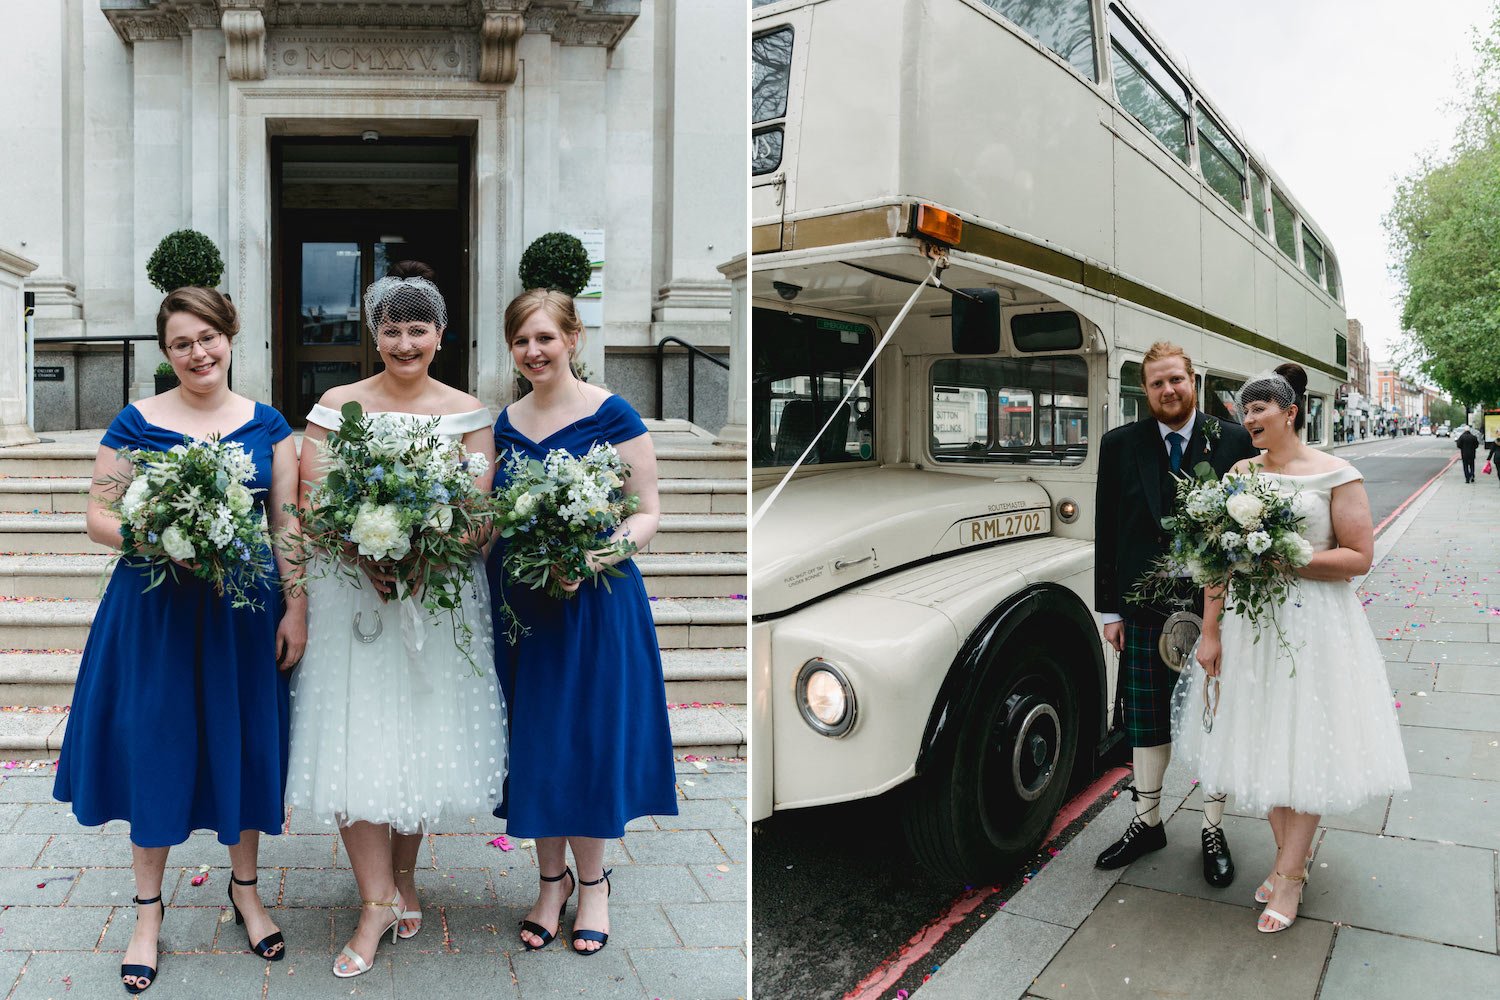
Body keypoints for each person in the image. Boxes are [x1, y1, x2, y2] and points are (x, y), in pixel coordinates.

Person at [54, 287, 305, 994]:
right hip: (155, 609)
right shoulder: (136, 422)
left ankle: (246, 891)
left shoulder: (268, 424)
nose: (198, 353)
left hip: (243, 611)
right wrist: (159, 535)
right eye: (181, 344)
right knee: (157, 746)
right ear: (167, 354)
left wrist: (297, 609)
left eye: (208, 338)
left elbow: (286, 524)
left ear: (231, 337)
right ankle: (147, 912)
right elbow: (99, 516)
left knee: (244, 745)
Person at [284, 262, 505, 979]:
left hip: (437, 600)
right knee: (359, 738)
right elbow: (312, 503)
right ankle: (374, 900)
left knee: (418, 734)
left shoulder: (471, 413)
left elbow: (477, 520)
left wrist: (425, 550)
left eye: (418, 328)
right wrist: (364, 545)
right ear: (372, 333)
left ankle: (403, 880)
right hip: (356, 599)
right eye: (391, 328)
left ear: (441, 334)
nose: (404, 342)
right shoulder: (336, 405)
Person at [1178, 364, 1410, 933]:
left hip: (1314, 628)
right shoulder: (1238, 474)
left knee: (1303, 739)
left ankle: (1288, 878)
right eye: (1244, 408)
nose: (1248, 417)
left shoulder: (1337, 474)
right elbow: (1217, 563)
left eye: (1259, 408)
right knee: (1265, 738)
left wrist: (1290, 558)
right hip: (1248, 629)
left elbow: (1358, 557)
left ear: (1290, 413)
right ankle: (1291, 860)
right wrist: (1209, 632)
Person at [488, 289, 677, 955]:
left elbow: (647, 511)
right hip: (523, 608)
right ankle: (550, 882)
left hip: (596, 602)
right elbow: (491, 516)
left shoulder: (613, 414)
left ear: (573, 338)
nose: (534, 351)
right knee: (536, 741)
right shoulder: (503, 423)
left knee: (590, 739)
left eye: (545, 337)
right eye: (521, 341)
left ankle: (593, 882)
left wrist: (594, 557)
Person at [1093, 341, 1258, 886]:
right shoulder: (1120, 444)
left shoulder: (1232, 439)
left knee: (1215, 716)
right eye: (1157, 383)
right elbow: (1107, 530)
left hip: (1219, 608)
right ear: (1146, 390)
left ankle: (1212, 827)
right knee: (1147, 720)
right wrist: (1109, 609)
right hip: (1143, 609)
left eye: (1176, 381)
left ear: (1194, 382)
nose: (1168, 391)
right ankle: (1147, 822)